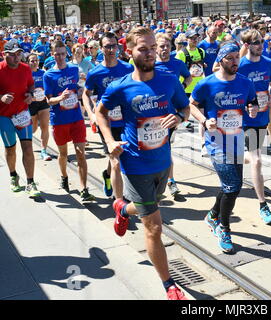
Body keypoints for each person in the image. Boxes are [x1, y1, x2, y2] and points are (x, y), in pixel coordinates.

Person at [95, 26, 189, 300]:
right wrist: (110, 141)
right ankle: (169, 284)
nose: (149, 54)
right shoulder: (120, 86)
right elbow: (100, 113)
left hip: (162, 161)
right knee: (155, 226)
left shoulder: (169, 80)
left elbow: (184, 106)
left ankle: (122, 209)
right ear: (130, 52)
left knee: (151, 206)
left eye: (152, 48)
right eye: (143, 49)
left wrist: (181, 118)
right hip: (134, 164)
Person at [189, 42, 258, 253]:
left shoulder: (245, 83)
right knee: (232, 186)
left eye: (237, 57)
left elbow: (252, 102)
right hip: (216, 142)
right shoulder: (206, 84)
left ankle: (212, 215)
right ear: (221, 60)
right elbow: (191, 104)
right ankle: (224, 227)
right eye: (230, 58)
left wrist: (252, 109)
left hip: (236, 139)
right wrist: (203, 121)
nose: (236, 61)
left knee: (231, 185)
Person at [82, 32, 134, 200]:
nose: (111, 49)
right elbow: (85, 93)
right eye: (107, 46)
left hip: (126, 120)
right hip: (106, 122)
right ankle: (119, 202)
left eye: (114, 46)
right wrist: (91, 115)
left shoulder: (127, 68)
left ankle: (107, 175)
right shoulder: (95, 72)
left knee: (121, 155)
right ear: (101, 49)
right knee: (116, 161)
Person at [43, 40, 95, 202]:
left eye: (62, 54)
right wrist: (61, 97)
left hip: (76, 118)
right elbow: (48, 101)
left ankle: (84, 188)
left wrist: (80, 92)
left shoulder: (73, 69)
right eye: (56, 54)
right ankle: (64, 176)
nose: (59, 57)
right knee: (63, 154)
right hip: (59, 120)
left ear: (66, 54)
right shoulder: (48, 75)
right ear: (52, 55)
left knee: (81, 154)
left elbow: (78, 88)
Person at [238, 29, 271, 224]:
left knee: (251, 156)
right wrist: (245, 104)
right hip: (244, 119)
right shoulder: (239, 65)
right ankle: (263, 205)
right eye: (255, 42)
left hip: (262, 117)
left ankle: (232, 156)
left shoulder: (268, 63)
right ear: (246, 45)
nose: (260, 45)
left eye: (261, 41)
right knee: (257, 159)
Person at [0, 41, 41, 197]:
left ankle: (30, 182)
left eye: (19, 54)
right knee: (10, 149)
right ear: (5, 55)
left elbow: (31, 85)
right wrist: (1, 97)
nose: (17, 58)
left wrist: (30, 94)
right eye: (13, 55)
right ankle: (13, 175)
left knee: (28, 148)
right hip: (4, 117)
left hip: (23, 114)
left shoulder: (25, 68)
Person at [154, 32, 193, 197]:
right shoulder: (149, 66)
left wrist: (181, 87)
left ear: (171, 47)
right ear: (155, 48)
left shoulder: (177, 64)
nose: (164, 49)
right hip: (151, 114)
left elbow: (189, 77)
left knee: (166, 148)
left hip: (171, 114)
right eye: (161, 46)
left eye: (167, 46)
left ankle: (170, 181)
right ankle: (156, 177)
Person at [27, 53, 51, 161]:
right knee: (33, 128)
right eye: (32, 60)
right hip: (30, 104)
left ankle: (43, 151)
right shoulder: (25, 74)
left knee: (45, 126)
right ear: (28, 62)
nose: (34, 62)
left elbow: (49, 86)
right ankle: (24, 138)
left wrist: (47, 94)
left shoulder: (43, 73)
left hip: (43, 103)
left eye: (36, 60)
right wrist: (30, 97)